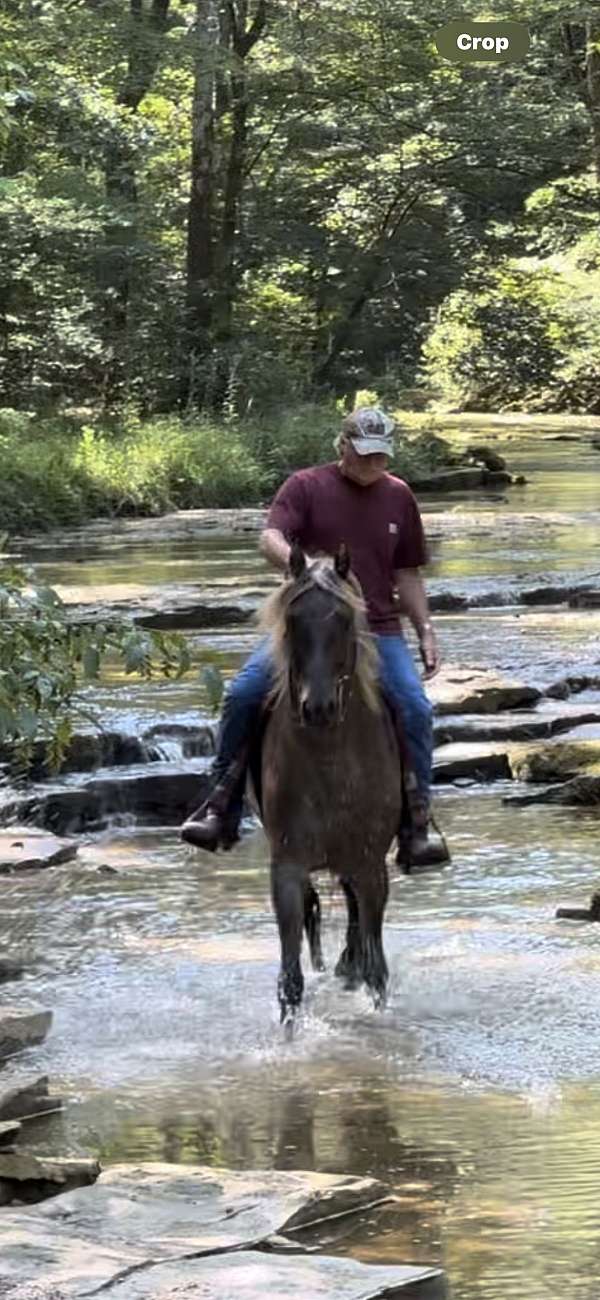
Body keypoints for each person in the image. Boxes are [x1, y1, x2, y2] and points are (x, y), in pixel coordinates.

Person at [182, 407, 450, 868]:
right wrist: (303, 569)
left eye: (382, 456)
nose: (374, 465)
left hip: (377, 630)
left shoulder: (399, 496)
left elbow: (407, 572)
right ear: (342, 446)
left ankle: (417, 822)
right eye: (365, 455)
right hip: (306, 626)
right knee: (244, 693)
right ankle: (219, 805)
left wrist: (426, 630)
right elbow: (270, 537)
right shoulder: (306, 485)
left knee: (414, 707)